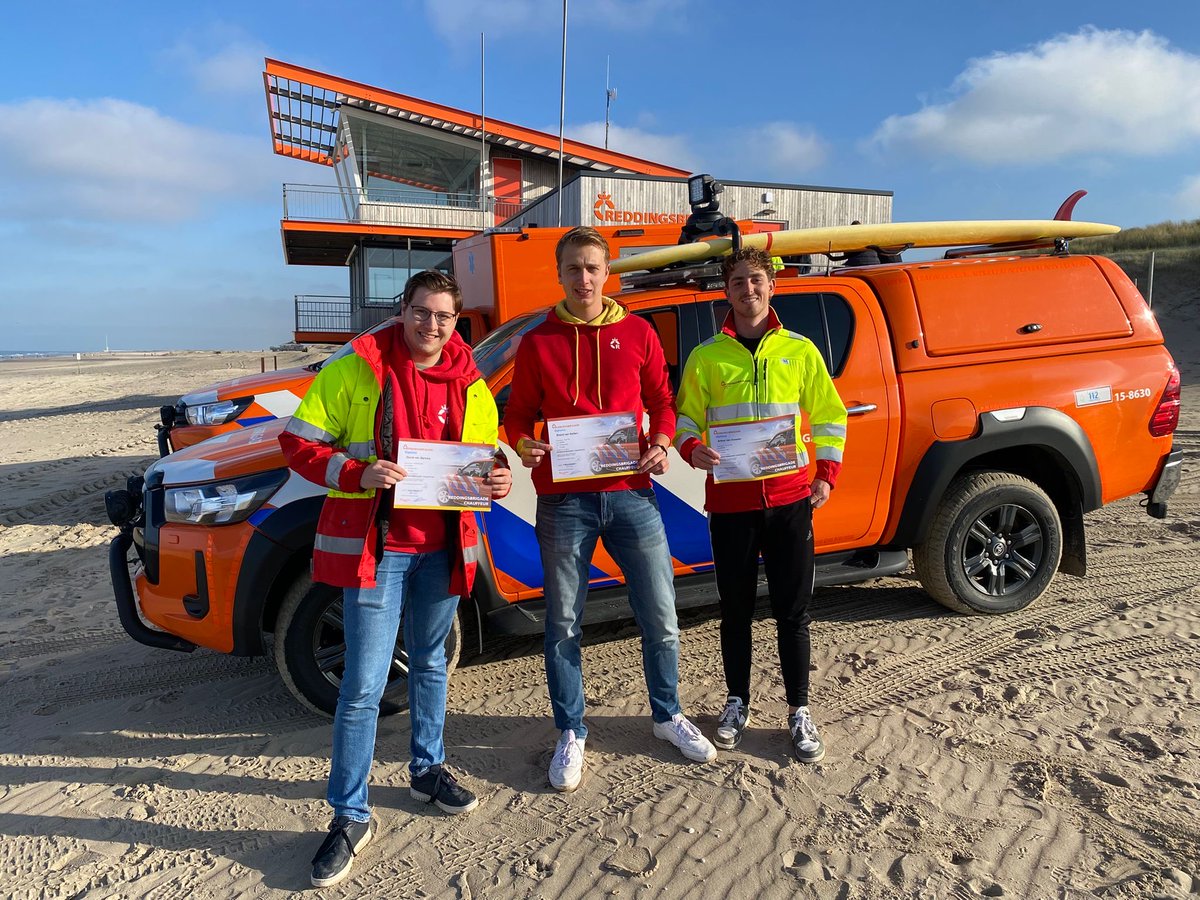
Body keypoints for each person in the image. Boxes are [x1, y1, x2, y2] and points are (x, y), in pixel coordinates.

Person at [279, 270, 512, 888]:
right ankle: (350, 815)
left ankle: (427, 769)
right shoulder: (355, 368)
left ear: (455, 322)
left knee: (432, 665)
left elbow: (487, 456)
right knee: (362, 684)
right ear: (401, 310)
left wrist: (497, 478)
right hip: (377, 550)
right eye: (420, 311)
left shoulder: (472, 381)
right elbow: (297, 444)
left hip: (441, 549)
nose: (429, 325)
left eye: (442, 315)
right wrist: (355, 473)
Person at [504, 225, 716, 792]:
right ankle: (570, 730)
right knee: (563, 622)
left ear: (607, 273)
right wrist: (525, 444)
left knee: (661, 615)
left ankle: (668, 715)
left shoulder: (639, 333)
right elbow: (517, 414)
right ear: (560, 274)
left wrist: (663, 441)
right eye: (573, 268)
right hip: (562, 499)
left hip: (631, 495)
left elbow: (662, 403)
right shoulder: (537, 340)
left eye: (593, 268)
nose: (584, 278)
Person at [674, 247, 847, 763]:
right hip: (731, 503)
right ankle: (737, 702)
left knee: (794, 612)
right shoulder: (706, 357)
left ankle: (798, 709)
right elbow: (685, 419)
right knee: (736, 611)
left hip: (791, 500)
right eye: (737, 282)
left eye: (756, 280)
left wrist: (827, 474)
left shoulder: (800, 350)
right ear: (725, 292)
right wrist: (691, 447)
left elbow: (829, 416)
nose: (747, 290)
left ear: (771, 287)